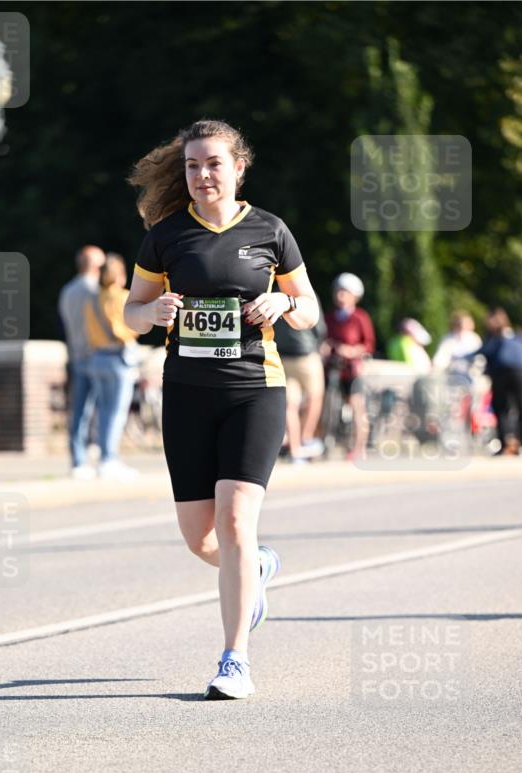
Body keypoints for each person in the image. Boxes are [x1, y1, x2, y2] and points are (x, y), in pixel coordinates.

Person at [124, 119, 318, 700]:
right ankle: (255, 569)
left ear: (238, 167)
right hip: (185, 393)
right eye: (192, 165)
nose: (202, 175)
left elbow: (308, 308)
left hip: (254, 390)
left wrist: (283, 300)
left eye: (213, 163)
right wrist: (152, 313)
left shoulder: (270, 230)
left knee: (236, 521)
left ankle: (235, 660)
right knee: (200, 539)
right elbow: (131, 314)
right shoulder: (166, 235)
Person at [83, 253, 141, 481]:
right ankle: (109, 459)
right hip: (118, 359)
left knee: (102, 411)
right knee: (116, 412)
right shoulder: (122, 298)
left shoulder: (92, 299)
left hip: (97, 357)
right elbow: (130, 328)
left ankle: (103, 457)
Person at [58, 245, 105, 479]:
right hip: (97, 355)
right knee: (103, 410)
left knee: (79, 411)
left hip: (76, 355)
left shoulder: (67, 290)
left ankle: (78, 459)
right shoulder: (95, 291)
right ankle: (99, 454)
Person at [322, 272, 375, 460]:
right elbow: (324, 339)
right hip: (332, 369)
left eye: (345, 292)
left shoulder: (360, 317)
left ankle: (359, 448)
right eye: (339, 291)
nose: (340, 296)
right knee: (326, 405)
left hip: (351, 370)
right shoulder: (329, 317)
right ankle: (324, 444)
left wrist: (352, 351)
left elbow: (368, 344)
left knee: (357, 407)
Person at [473, 308, 522, 455]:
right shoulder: (494, 338)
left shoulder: (509, 337)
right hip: (502, 375)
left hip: (517, 373)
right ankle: (504, 444)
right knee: (501, 409)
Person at [273, 294, 326, 462]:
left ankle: (296, 447)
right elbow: (319, 326)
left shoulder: (270, 290)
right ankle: (305, 439)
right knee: (314, 398)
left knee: (291, 405)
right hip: (306, 355)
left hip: (284, 355)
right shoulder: (303, 292)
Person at [432, 310, 482, 375]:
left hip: (471, 373)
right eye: (459, 325)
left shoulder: (475, 339)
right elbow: (440, 357)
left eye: (465, 325)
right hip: (451, 373)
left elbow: (479, 359)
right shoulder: (448, 339)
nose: (462, 327)